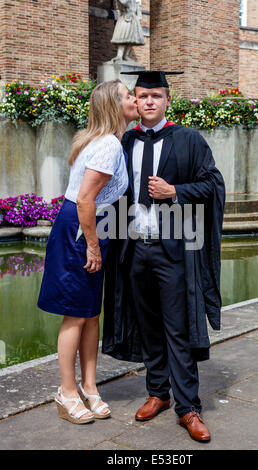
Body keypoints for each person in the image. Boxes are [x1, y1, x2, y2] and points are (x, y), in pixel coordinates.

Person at [102, 70, 225, 442]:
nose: (149, 102)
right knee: (148, 325)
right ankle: (158, 393)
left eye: (156, 95)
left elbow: (213, 184)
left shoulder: (187, 139)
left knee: (179, 327)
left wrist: (175, 191)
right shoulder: (123, 142)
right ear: (134, 103)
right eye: (142, 96)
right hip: (133, 246)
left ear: (168, 100)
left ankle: (189, 407)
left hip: (173, 246)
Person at [37, 79, 139, 424]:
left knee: (90, 312)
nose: (135, 98)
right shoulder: (108, 144)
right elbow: (85, 199)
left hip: (93, 225)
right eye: (128, 96)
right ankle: (66, 393)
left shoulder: (104, 140)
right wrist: (93, 246)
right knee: (76, 313)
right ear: (115, 105)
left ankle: (90, 386)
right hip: (83, 229)